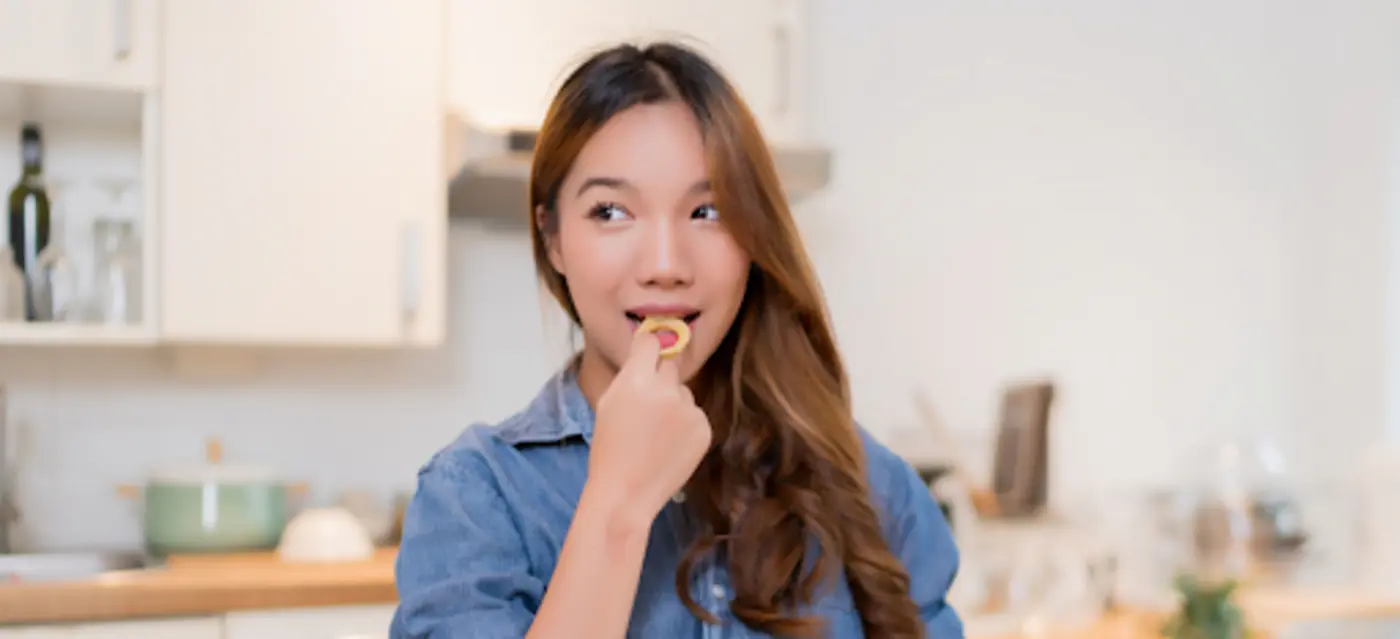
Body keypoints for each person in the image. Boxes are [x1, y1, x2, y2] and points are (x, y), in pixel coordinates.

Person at [389, 41, 964, 639]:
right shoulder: (476, 500)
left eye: (708, 211)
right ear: (554, 238)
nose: (665, 265)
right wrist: (619, 502)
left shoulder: (867, 481)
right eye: (610, 211)